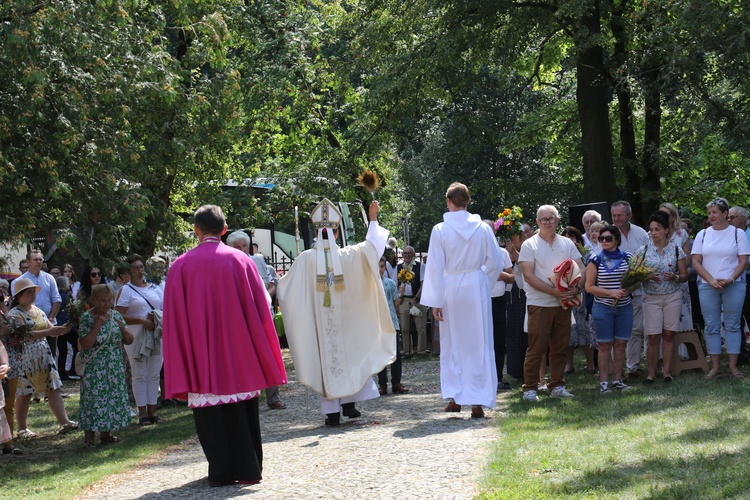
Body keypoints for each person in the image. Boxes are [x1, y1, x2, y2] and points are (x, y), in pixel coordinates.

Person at [163, 204, 287, 487]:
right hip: (238, 351)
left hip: (201, 352)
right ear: (224, 229)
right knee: (242, 410)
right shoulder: (241, 261)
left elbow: (174, 318)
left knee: (210, 415)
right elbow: (260, 309)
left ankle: (220, 471)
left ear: (196, 231)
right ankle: (249, 467)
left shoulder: (180, 265)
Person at [278, 199, 395, 426]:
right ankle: (349, 404)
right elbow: (372, 248)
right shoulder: (350, 256)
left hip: (320, 326)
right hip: (347, 321)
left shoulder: (305, 260)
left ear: (314, 230)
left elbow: (285, 288)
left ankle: (332, 412)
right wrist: (372, 219)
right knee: (348, 354)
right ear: (337, 233)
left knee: (326, 358)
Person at [421, 183, 502, 418]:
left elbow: (435, 267)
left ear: (448, 201)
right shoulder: (483, 228)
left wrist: (436, 300)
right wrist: (482, 284)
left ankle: (455, 397)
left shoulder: (440, 229)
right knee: (479, 342)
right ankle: (477, 401)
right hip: (476, 285)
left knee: (453, 342)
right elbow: (495, 262)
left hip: (451, 288)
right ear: (468, 201)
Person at [519, 205, 585, 402]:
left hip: (563, 304)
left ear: (558, 220)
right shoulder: (529, 245)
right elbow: (529, 276)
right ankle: (530, 388)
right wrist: (555, 292)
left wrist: (576, 288)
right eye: (543, 219)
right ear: (537, 222)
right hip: (540, 303)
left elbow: (581, 268)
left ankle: (557, 385)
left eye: (551, 218)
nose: (548, 222)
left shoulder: (567, 243)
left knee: (560, 346)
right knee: (536, 348)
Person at [8, 278, 78, 438]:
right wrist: (49, 332)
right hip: (25, 357)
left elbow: (50, 328)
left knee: (53, 388)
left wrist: (63, 328)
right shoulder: (15, 314)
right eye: (29, 292)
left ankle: (65, 422)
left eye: (34, 292)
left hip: (43, 354)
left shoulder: (38, 310)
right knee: (26, 392)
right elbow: (24, 335)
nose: (33, 295)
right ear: (19, 296)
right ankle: (22, 429)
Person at [226, 230, 286, 410]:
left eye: (244, 245)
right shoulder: (227, 264)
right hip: (241, 317)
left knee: (269, 353)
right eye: (237, 247)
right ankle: (246, 396)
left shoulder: (258, 260)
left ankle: (273, 397)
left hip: (262, 312)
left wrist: (263, 298)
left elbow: (272, 285)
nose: (242, 249)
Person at [692, 197, 750, 380]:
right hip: (707, 286)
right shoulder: (702, 234)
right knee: (711, 326)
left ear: (725, 214)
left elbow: (743, 261)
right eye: (709, 213)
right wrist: (710, 280)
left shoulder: (737, 234)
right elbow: (695, 261)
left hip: (734, 285)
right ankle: (715, 367)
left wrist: (731, 279)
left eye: (715, 212)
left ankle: (733, 367)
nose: (711, 216)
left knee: (733, 324)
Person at [78, 285, 133, 448]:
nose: (107, 304)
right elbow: (85, 344)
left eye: (109, 300)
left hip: (114, 365)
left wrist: (124, 330)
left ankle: (106, 434)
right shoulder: (87, 318)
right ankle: (89, 439)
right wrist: (97, 326)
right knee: (93, 400)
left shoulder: (116, 315)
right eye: (103, 301)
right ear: (94, 300)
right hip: (95, 368)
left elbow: (129, 340)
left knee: (111, 399)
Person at [638, 211, 689, 384]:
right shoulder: (643, 250)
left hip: (672, 296)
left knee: (668, 334)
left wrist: (675, 277)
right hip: (651, 297)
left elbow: (684, 274)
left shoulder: (676, 249)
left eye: (657, 229)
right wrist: (647, 277)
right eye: (651, 229)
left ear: (666, 230)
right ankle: (651, 374)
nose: (653, 233)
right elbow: (634, 275)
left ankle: (667, 372)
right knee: (653, 336)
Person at [115, 255, 164, 425]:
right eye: (135, 267)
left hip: (155, 332)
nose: (139, 270)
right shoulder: (126, 290)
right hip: (136, 334)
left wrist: (155, 317)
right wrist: (142, 320)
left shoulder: (155, 287)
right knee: (139, 374)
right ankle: (142, 413)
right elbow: (118, 315)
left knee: (154, 373)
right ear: (128, 272)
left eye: (141, 266)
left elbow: (164, 308)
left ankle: (153, 410)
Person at [584, 225, 633, 393]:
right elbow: (589, 287)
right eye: (601, 238)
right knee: (604, 346)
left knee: (620, 344)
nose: (603, 241)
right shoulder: (595, 259)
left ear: (617, 240)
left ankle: (618, 380)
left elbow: (635, 280)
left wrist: (629, 289)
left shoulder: (628, 258)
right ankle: (604, 383)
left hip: (624, 307)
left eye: (608, 238)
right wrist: (611, 293)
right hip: (603, 307)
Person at [610, 200, 649, 379]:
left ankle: (633, 366)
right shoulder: (608, 234)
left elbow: (648, 257)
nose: (616, 219)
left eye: (620, 215)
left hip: (638, 289)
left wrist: (636, 280)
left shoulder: (641, 233)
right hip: (614, 290)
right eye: (614, 215)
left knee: (636, 329)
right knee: (616, 332)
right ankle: (616, 369)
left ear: (629, 215)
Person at [560, 226, 596, 375]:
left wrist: (578, 289)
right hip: (565, 297)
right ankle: (569, 364)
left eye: (572, 238)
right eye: (566, 238)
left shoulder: (586, 255)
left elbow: (588, 272)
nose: (569, 241)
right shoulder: (559, 255)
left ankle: (591, 363)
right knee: (568, 332)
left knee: (585, 330)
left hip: (582, 296)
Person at [484, 220, 515, 391]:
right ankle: (483, 379)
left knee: (498, 341)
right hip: (481, 302)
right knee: (482, 341)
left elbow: (511, 277)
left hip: (498, 301)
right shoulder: (475, 252)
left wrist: (497, 274)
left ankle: (497, 377)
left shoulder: (502, 252)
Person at [19, 249, 62, 360]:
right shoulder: (20, 281)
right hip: (30, 326)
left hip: (50, 323)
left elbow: (56, 300)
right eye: (35, 259)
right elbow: (18, 305)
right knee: (32, 358)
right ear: (28, 262)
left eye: (40, 259)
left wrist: (50, 318)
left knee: (51, 357)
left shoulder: (49, 278)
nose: (38, 262)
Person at [377, 257, 410, 395]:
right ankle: (382, 384)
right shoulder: (370, 285)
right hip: (377, 323)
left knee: (395, 354)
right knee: (380, 354)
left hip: (391, 321)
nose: (380, 269)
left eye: (382, 266)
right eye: (378, 266)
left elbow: (395, 303)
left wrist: (401, 295)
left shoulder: (390, 283)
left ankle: (396, 382)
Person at [728, 206, 750, 366]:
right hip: (733, 281)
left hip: (748, 278)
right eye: (728, 217)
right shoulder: (727, 235)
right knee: (736, 318)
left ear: (743, 218)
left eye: (733, 217)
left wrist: (745, 264)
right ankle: (741, 355)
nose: (729, 220)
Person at [397, 246, 428, 356]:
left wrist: (416, 298)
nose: (407, 255)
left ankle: (421, 351)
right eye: (405, 253)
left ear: (414, 254)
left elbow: (423, 284)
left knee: (421, 328)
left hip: (418, 299)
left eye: (410, 253)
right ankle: (407, 351)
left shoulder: (421, 266)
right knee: (405, 328)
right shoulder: (398, 268)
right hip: (404, 299)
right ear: (403, 255)